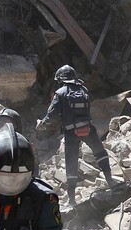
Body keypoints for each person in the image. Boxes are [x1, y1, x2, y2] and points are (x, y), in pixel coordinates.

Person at [37, 66, 114, 206]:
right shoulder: (84, 90)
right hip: (88, 129)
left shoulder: (60, 93)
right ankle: (110, 181)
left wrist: (42, 124)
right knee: (100, 152)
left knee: (71, 161)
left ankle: (72, 198)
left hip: (71, 132)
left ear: (61, 80)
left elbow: (52, 115)